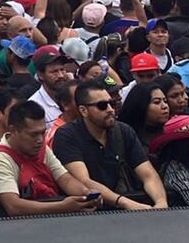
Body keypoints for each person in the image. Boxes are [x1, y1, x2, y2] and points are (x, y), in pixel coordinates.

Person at [52, 79, 168, 210]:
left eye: (112, 104)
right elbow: (83, 181)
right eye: (102, 105)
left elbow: (148, 174)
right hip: (90, 212)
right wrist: (125, 203)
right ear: (84, 110)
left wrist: (161, 203)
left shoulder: (124, 131)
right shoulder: (67, 135)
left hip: (127, 206)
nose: (110, 109)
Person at [0, 100, 99, 216]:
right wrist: (63, 207)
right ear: (13, 130)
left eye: (42, 133)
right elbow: (13, 207)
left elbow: (65, 179)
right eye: (33, 134)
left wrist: (86, 195)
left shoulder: (41, 148)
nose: (40, 140)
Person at [27, 45, 74, 125]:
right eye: (54, 72)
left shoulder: (73, 97)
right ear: (40, 75)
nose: (61, 75)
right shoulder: (34, 106)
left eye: (62, 70)